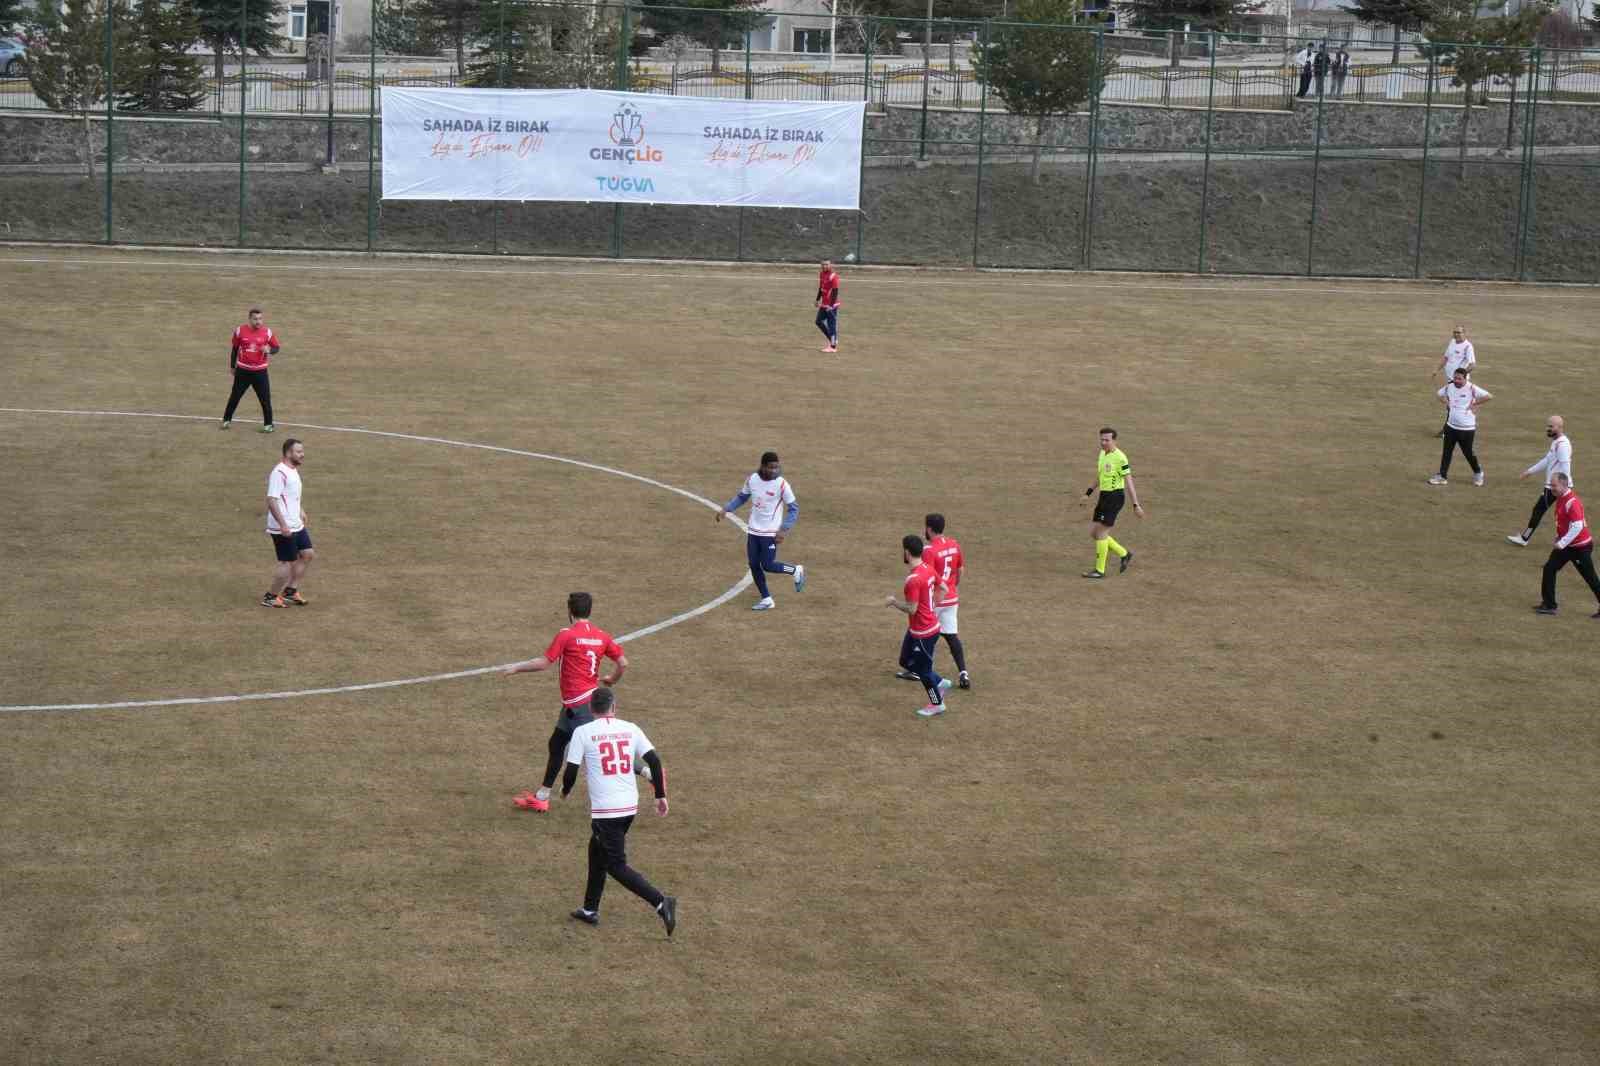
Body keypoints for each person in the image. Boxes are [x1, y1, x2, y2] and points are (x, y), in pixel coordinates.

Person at [561, 687, 677, 936]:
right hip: (629, 806)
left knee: (615, 864)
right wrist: (660, 796)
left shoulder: (583, 732)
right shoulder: (631, 728)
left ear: (592, 709)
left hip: (607, 810)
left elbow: (570, 770)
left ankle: (660, 902)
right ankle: (590, 909)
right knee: (596, 851)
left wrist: (565, 790)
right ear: (614, 707)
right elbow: (654, 762)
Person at [504, 592, 632, 813]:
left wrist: (516, 668)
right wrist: (612, 679)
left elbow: (544, 663)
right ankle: (542, 797)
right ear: (589, 611)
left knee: (602, 750)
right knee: (556, 744)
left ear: (570, 612)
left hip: (580, 704)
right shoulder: (602, 636)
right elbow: (623, 663)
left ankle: (650, 772)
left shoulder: (567, 634)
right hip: (579, 702)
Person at [717, 451, 805, 611]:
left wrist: (784, 530)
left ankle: (795, 570)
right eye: (771, 467)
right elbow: (742, 497)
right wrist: (727, 509)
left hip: (770, 533)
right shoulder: (753, 480)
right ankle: (767, 599)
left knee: (768, 565)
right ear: (763, 466)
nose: (774, 471)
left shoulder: (782, 484)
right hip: (753, 531)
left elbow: (794, 508)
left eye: (776, 467)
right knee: (753, 564)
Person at [898, 513, 969, 689]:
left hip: (935, 600)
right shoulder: (954, 544)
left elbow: (926, 575)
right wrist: (954, 586)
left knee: (919, 631)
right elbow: (960, 569)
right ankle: (963, 673)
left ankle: (918, 671)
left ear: (929, 529)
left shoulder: (929, 550)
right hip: (951, 597)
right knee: (952, 636)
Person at [886, 534, 953, 718]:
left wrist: (893, 602)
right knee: (905, 661)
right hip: (919, 629)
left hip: (923, 632)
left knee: (923, 672)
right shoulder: (928, 569)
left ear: (907, 552)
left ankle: (936, 703)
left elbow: (912, 609)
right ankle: (940, 682)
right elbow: (945, 589)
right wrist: (932, 607)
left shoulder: (913, 579)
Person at [1533, 472, 1600, 617]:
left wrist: (1562, 543)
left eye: (1554, 485)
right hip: (1568, 545)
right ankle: (1549, 605)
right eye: (1551, 485)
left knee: (1590, 577)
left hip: (1580, 548)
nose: (1551, 488)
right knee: (1549, 568)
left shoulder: (1572, 502)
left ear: (1564, 485)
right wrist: (1559, 537)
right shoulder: (1561, 498)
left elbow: (1578, 525)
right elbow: (1564, 522)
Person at [1082, 427, 1144, 579]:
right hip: (1104, 496)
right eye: (1101, 439)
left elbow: (1129, 482)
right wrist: (1088, 493)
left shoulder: (1121, 458)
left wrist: (1136, 504)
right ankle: (1124, 554)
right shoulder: (1102, 454)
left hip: (1115, 498)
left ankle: (1099, 570)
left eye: (1107, 440)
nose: (1103, 443)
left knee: (1102, 533)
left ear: (1114, 440)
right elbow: (1100, 475)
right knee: (1094, 533)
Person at [262, 437, 314, 608]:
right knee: (287, 562)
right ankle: (270, 596)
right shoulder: (279, 473)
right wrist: (283, 524)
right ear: (288, 453)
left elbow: (291, 495)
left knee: (307, 554)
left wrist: (300, 510)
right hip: (283, 526)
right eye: (298, 452)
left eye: (302, 451)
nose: (302, 455)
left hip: (295, 523)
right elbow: (272, 499)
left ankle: (290, 592)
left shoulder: (292, 470)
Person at [1509, 415, 1573, 546]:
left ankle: (1524, 539)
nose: (1548, 429)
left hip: (1555, 487)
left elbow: (1565, 466)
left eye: (1551, 426)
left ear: (1560, 427)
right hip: (1558, 486)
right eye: (1548, 426)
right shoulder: (1557, 442)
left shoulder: (1562, 445)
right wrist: (1529, 472)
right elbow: (1547, 460)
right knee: (1565, 514)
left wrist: (1562, 487)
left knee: (1540, 511)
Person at [222, 308, 281, 433]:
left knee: (265, 399)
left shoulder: (267, 332)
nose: (258, 321)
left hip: (260, 372)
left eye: (260, 319)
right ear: (250, 319)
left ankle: (269, 425)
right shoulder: (240, 331)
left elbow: (276, 347)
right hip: (243, 371)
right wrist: (233, 366)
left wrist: (269, 350)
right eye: (255, 319)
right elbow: (235, 349)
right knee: (235, 396)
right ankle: (226, 420)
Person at [1430, 367, 1490, 486]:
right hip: (1450, 426)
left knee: (1468, 452)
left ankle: (1478, 473)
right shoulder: (1449, 387)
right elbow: (1439, 394)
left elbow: (1489, 396)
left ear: (1465, 378)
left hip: (1466, 429)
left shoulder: (1472, 388)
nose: (1456, 380)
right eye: (1455, 378)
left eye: (1459, 379)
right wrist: (1446, 402)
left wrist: (1474, 404)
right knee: (1447, 452)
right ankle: (1442, 476)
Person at [1434, 325, 1476, 437]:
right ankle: (1450, 430)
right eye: (1455, 332)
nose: (1456, 334)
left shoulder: (1468, 347)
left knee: (1454, 405)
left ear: (1464, 333)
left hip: (1459, 383)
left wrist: (1461, 376)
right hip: (1451, 380)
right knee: (1451, 405)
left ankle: (1449, 431)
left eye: (1459, 332)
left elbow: (1472, 365)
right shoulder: (1452, 342)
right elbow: (1446, 357)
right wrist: (1437, 369)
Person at [815, 260, 841, 353]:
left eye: (826, 264)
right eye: (823, 264)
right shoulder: (822, 274)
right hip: (824, 303)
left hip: (832, 305)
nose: (824, 266)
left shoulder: (834, 276)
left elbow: (835, 291)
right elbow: (821, 288)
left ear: (830, 265)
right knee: (818, 321)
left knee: (831, 325)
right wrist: (817, 299)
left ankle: (833, 347)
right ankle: (832, 339)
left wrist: (831, 305)